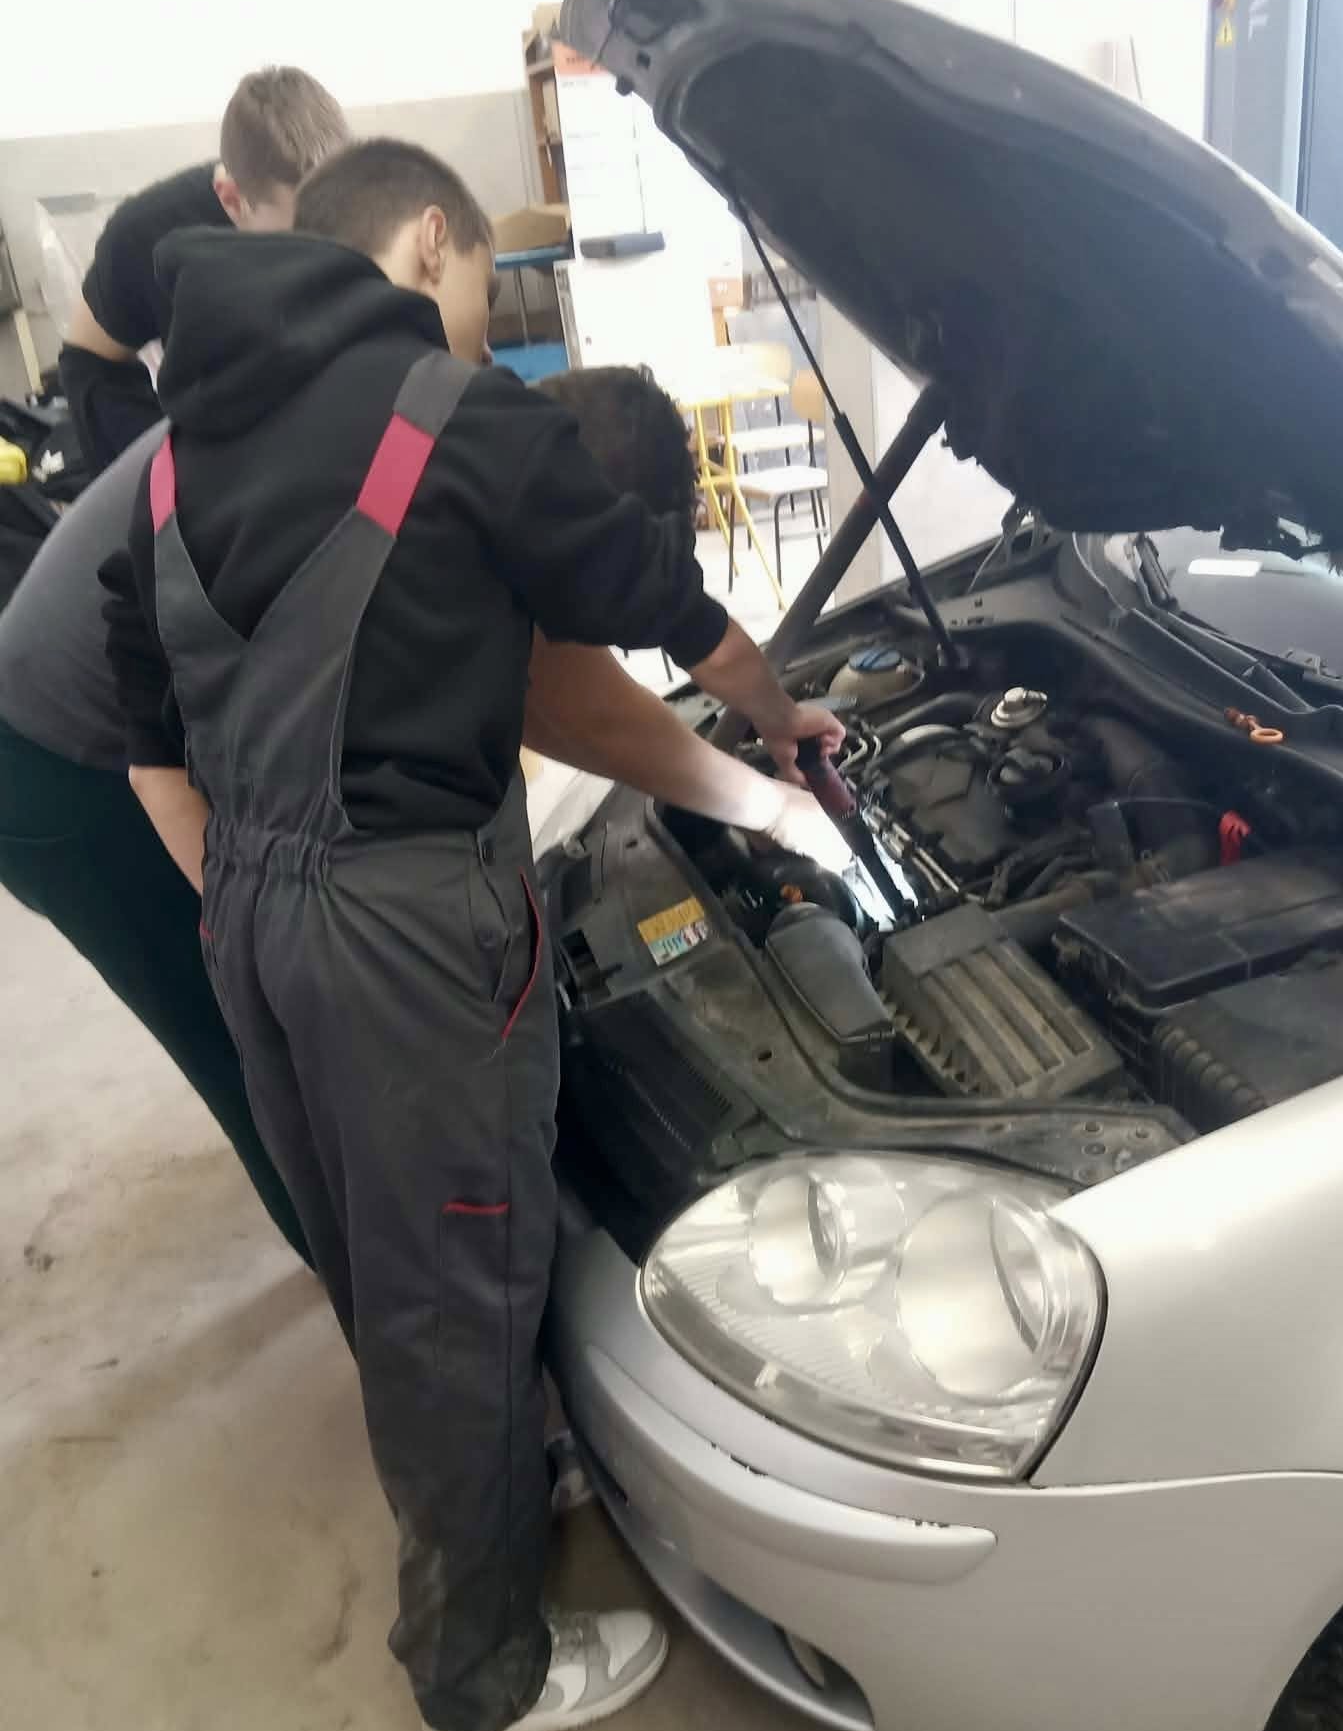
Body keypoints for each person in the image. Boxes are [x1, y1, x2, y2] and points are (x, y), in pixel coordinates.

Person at [100, 137, 844, 1731]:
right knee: (459, 1274)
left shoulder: (171, 456)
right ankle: (477, 1672)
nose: (482, 310)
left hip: (250, 905)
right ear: (432, 242)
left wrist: (264, 898)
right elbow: (665, 605)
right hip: (408, 923)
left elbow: (151, 728)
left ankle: (495, 1481)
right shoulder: (461, 420)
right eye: (483, 276)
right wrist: (783, 724)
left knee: (382, 1259)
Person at [0, 371, 839, 1271]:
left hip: (166, 714)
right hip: (61, 756)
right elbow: (578, 708)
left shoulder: (469, 440)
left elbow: (558, 691)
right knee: (268, 1056)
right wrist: (771, 805)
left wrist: (773, 763)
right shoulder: (446, 492)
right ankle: (376, 1295)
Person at [57, 68, 350, 478]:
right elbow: (86, 360)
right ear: (232, 200)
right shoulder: (146, 234)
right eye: (301, 237)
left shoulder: (363, 202)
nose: (322, 252)